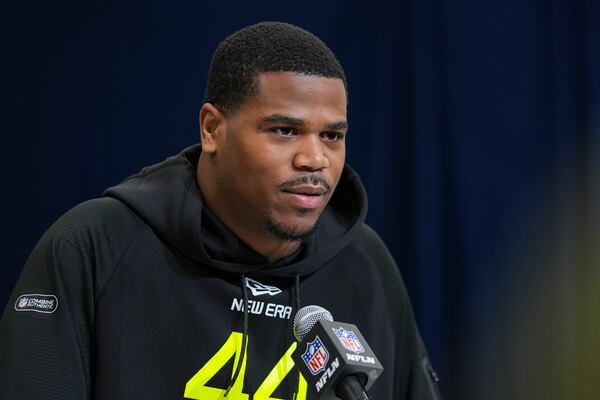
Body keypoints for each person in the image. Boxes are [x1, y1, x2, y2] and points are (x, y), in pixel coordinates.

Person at [0, 22, 441, 399]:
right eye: (285, 130)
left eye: (332, 136)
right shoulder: (94, 246)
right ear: (212, 129)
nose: (315, 159)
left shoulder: (365, 262)